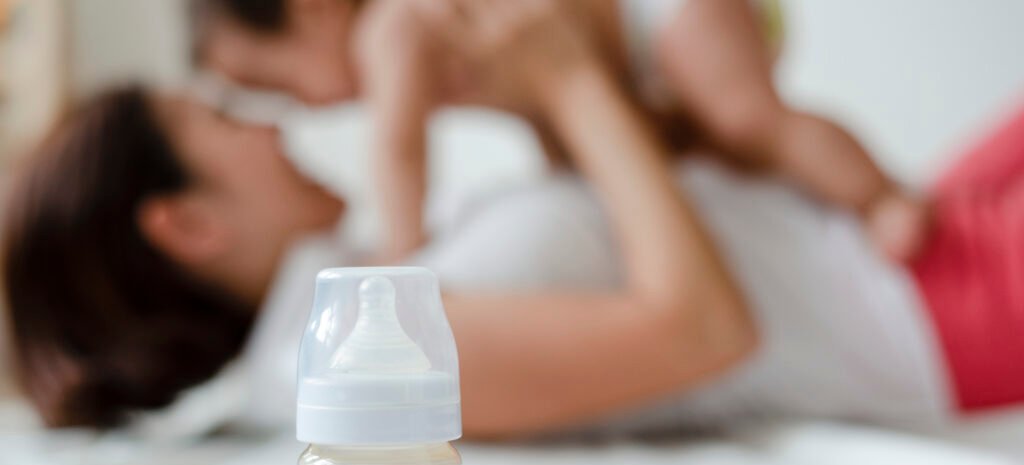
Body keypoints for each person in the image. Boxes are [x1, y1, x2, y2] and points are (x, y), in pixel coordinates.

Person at [2, 0, 1020, 438]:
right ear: (185, 225)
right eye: (227, 119)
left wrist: (557, 88)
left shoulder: (353, 283)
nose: (277, 130)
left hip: (886, 244)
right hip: (927, 312)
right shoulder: (352, 357)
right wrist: (569, 82)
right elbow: (706, 329)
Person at [190, 0, 926, 263]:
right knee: (709, 148)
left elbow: (399, 150)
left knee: (746, 117)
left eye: (279, 84)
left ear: (313, 8)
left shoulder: (390, 26)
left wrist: (401, 250)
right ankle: (830, 213)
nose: (301, 109)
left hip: (655, 13)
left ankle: (881, 196)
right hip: (624, 64)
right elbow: (537, 105)